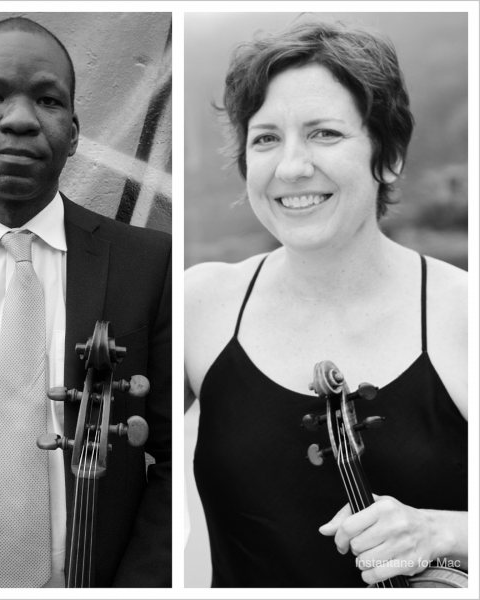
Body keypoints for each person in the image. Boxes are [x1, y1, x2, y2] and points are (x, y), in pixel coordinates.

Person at [0, 17, 171, 588]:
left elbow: (175, 457)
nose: (18, 120)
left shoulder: (150, 265)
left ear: (73, 131)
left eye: (46, 100)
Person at [184, 20, 467, 587]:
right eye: (266, 138)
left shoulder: (462, 313)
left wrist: (450, 532)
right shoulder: (203, 303)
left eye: (325, 134)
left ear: (388, 158)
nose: (291, 167)